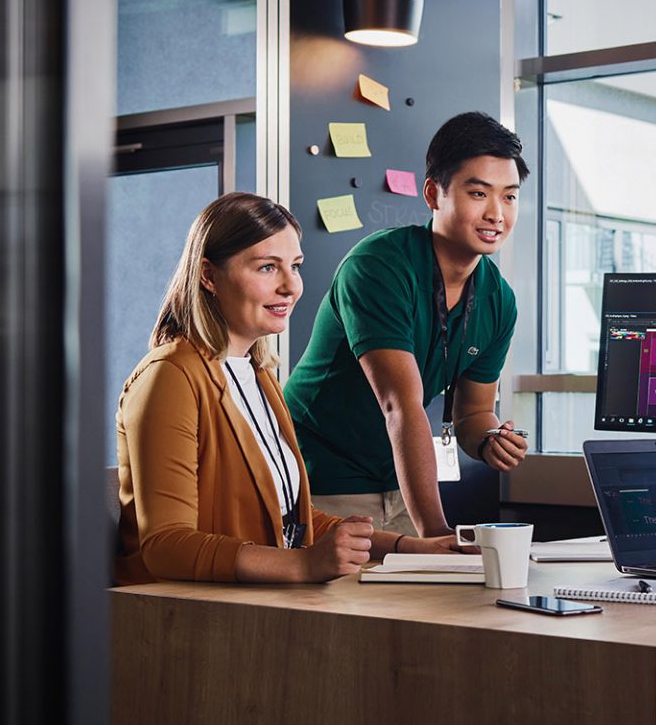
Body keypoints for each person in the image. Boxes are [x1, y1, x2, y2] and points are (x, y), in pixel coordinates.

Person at [115, 192, 462, 586]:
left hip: (249, 600)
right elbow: (166, 545)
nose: (290, 286)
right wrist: (304, 565)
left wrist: (410, 546)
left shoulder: (259, 373)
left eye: (294, 266)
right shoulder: (169, 376)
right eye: (267, 267)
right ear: (208, 276)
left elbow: (291, 521)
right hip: (179, 610)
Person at [284, 111, 529, 538]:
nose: (496, 213)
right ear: (433, 194)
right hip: (319, 477)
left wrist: (489, 439)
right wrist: (435, 533)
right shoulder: (378, 266)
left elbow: (473, 413)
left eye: (509, 197)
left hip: (401, 481)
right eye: (478, 193)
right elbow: (401, 404)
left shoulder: (499, 300)